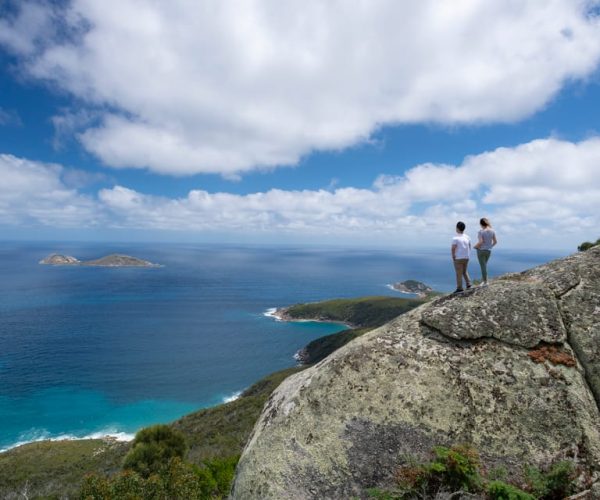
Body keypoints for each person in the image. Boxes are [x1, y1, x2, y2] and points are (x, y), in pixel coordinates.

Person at [474, 217, 497, 286]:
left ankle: (485, 282)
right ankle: (484, 281)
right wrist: (490, 246)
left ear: (481, 224)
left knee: (483, 266)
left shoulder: (481, 232)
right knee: (484, 266)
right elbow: (495, 242)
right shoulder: (492, 231)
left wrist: (475, 246)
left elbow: (481, 241)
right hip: (488, 251)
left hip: (481, 251)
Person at [451, 221, 472, 294]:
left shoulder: (455, 238)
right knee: (464, 271)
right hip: (466, 257)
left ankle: (459, 288)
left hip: (458, 258)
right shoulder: (467, 237)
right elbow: (469, 246)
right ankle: (469, 284)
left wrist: (453, 256)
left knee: (458, 273)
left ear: (457, 228)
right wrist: (468, 255)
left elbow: (453, 248)